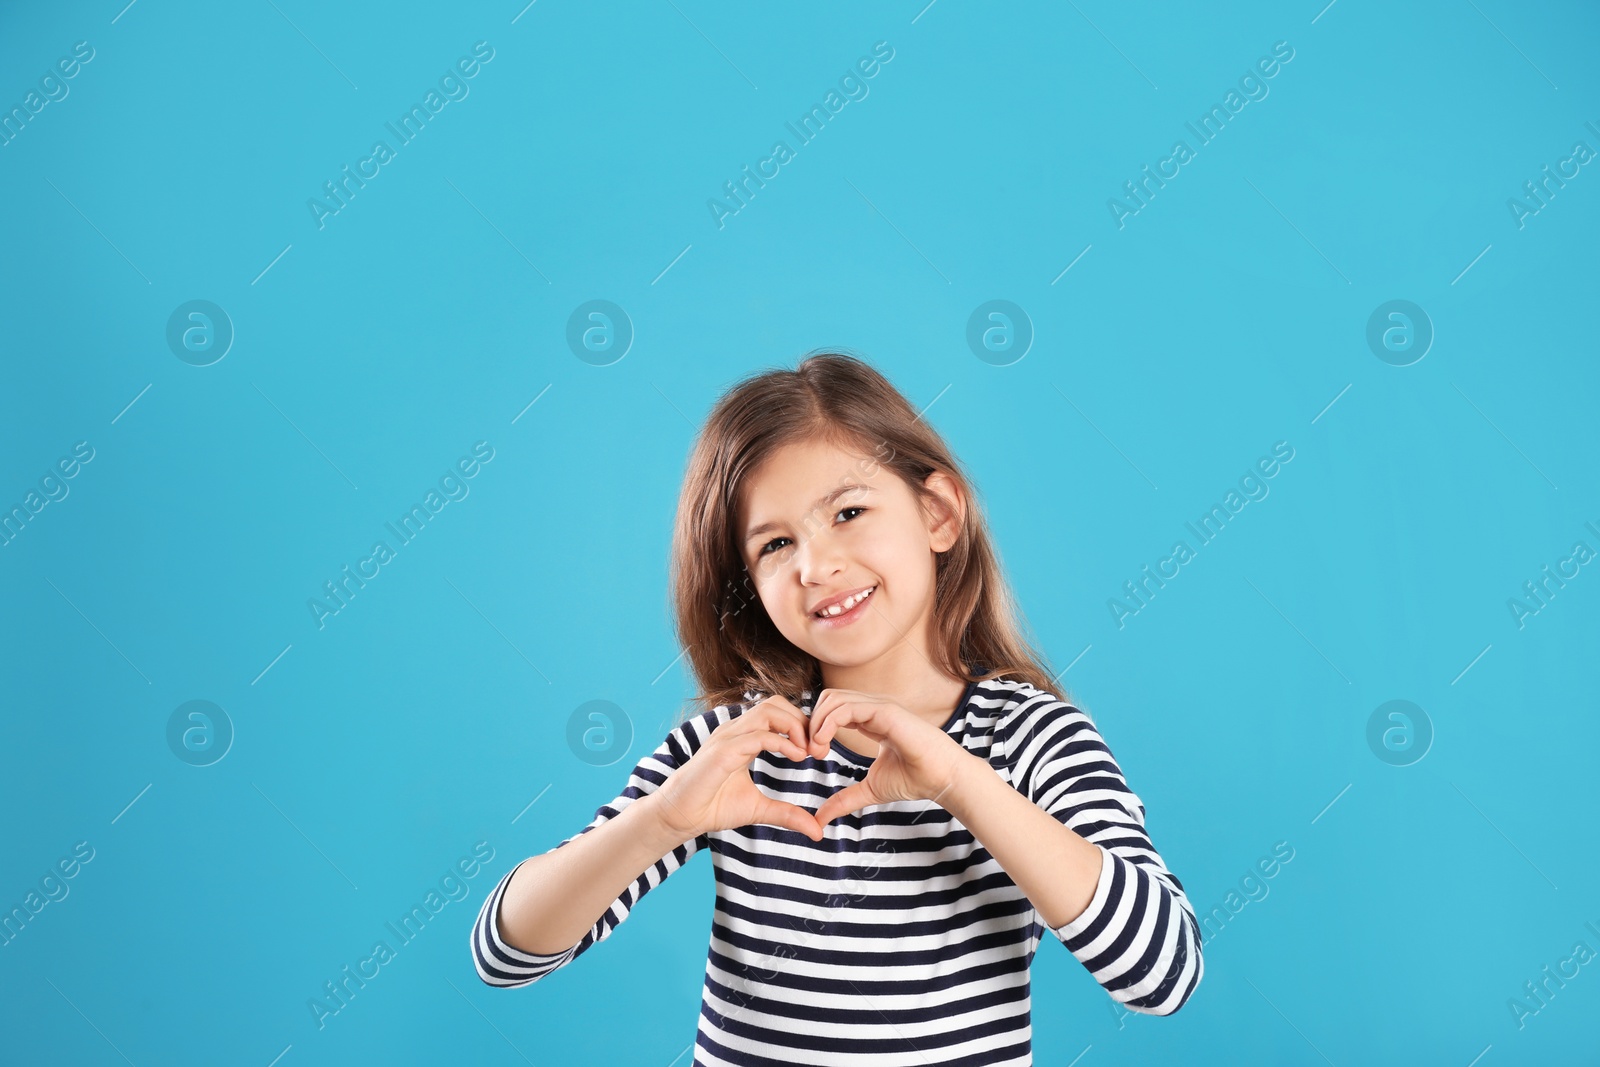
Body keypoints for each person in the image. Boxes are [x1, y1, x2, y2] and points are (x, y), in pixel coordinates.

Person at [469, 352, 1203, 1064]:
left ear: (938, 513)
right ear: (749, 584)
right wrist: (662, 817)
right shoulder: (738, 745)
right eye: (776, 543)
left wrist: (957, 780)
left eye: (848, 511)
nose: (816, 566)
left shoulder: (1032, 735)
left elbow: (1163, 974)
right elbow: (504, 951)